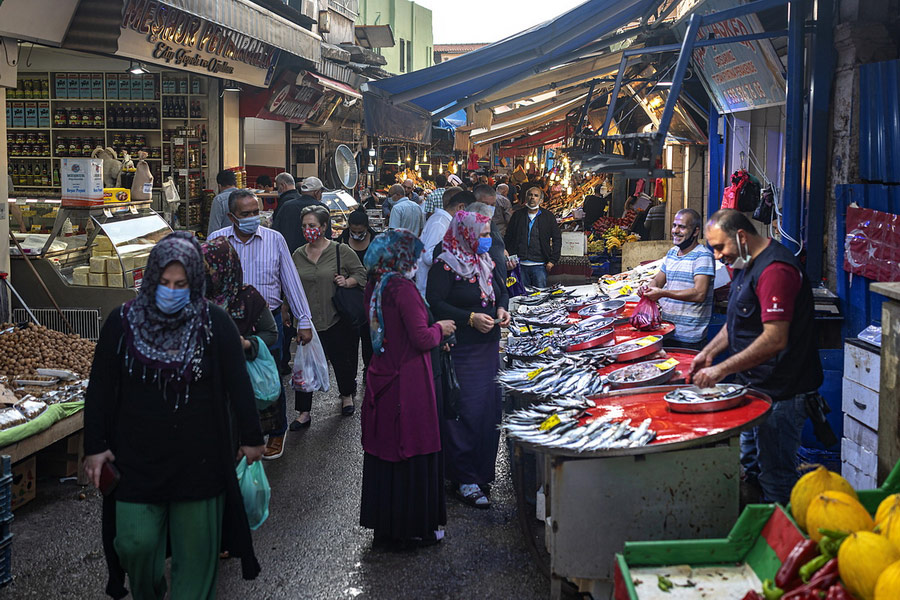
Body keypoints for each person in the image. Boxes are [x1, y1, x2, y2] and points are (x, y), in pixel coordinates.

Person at [83, 232, 265, 600]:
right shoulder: (122, 322)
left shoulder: (215, 323)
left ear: (195, 282)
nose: (171, 290)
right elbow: (100, 387)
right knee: (135, 544)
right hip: (136, 462)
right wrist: (95, 446)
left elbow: (238, 385)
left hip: (201, 463)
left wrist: (251, 438)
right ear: (151, 279)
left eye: (181, 284)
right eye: (164, 283)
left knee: (196, 562)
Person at [691, 209, 823, 504]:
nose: (716, 255)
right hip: (755, 388)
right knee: (748, 467)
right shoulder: (743, 262)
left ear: (741, 236)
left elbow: (774, 339)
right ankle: (753, 526)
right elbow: (737, 322)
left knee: (775, 476)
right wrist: (708, 353)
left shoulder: (776, 270)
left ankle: (783, 541)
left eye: (719, 247)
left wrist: (720, 370)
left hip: (782, 393)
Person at [360, 229, 456, 550]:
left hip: (382, 378)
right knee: (411, 450)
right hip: (408, 383)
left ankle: (386, 529)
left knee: (385, 455)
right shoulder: (402, 288)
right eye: (413, 255)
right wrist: (440, 328)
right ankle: (415, 529)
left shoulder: (376, 285)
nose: (416, 261)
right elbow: (422, 338)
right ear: (401, 256)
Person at [208, 189, 314, 460]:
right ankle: (239, 433)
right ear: (232, 216)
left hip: (269, 322)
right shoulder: (217, 241)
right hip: (227, 323)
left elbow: (291, 281)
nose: (254, 218)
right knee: (232, 379)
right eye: (246, 214)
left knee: (269, 378)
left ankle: (276, 430)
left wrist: (304, 320)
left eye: (256, 212)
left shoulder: (274, 239)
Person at [427, 211, 511, 509]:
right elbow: (435, 303)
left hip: (488, 351)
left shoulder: (485, 262)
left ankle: (481, 472)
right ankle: (463, 477)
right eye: (483, 233)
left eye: (489, 232)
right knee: (463, 412)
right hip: (460, 350)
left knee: (488, 412)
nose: (487, 238)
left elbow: (502, 293)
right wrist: (470, 318)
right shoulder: (445, 265)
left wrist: (502, 310)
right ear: (465, 233)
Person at [291, 205, 367, 428]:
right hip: (308, 321)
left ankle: (346, 396)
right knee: (305, 365)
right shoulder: (298, 254)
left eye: (312, 225)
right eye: (304, 226)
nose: (308, 230)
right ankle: (304, 412)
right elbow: (292, 284)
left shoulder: (339, 251)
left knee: (342, 360)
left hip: (336, 317)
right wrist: (288, 310)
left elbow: (360, 274)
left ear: (324, 227)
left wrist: (347, 281)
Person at [640, 209, 715, 350]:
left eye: (682, 227)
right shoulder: (672, 253)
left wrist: (663, 293)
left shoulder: (702, 256)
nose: (675, 231)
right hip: (666, 331)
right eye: (674, 225)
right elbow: (658, 281)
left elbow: (699, 294)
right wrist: (648, 288)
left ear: (695, 231)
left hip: (689, 338)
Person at [337, 209, 380, 374]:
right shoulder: (342, 240)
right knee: (349, 340)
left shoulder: (376, 240)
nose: (356, 234)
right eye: (353, 231)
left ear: (367, 228)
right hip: (349, 298)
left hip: (372, 298)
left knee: (369, 337)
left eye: (360, 232)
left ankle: (370, 370)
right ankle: (350, 375)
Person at [504, 186, 561, 289]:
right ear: (526, 198)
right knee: (520, 296)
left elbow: (557, 239)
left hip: (540, 265)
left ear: (541, 200)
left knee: (539, 296)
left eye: (536, 195)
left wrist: (553, 260)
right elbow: (508, 237)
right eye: (530, 195)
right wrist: (508, 256)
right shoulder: (517, 215)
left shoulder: (548, 217)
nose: (532, 198)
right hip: (519, 264)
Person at [416, 187, 465, 295]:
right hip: (428, 289)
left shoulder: (446, 221)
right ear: (460, 207)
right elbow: (428, 256)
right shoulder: (439, 223)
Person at [272, 174, 330, 255]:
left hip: (288, 254)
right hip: (315, 255)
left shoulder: (286, 205)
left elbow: (275, 231)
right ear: (317, 192)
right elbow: (327, 235)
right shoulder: (321, 208)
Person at [206, 170, 238, 235]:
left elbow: (214, 228)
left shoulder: (219, 200)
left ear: (219, 186)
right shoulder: (246, 196)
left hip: (226, 241)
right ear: (235, 183)